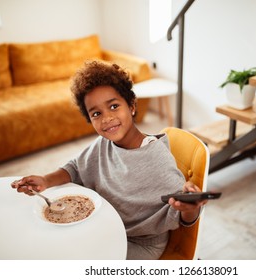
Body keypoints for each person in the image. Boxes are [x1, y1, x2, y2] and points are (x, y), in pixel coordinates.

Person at [11, 60, 207, 259]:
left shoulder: (157, 159)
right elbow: (75, 168)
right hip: (107, 227)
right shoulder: (102, 145)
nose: (106, 118)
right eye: (96, 113)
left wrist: (189, 209)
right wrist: (45, 180)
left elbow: (182, 216)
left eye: (114, 106)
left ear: (131, 106)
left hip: (140, 243)